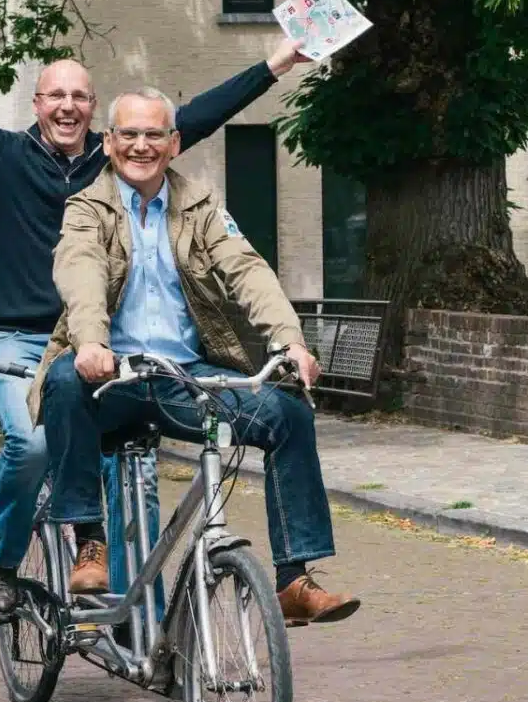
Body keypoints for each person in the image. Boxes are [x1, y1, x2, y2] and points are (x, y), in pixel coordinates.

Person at [0, 0, 311, 614]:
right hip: (19, 340)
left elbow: (196, 115)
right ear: (37, 104)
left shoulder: (114, 162)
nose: (67, 106)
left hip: (106, 343)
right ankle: (4, 561)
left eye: (80, 96)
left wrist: (276, 64)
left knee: (130, 467)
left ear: (95, 112)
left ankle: (133, 613)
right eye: (55, 95)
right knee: (33, 445)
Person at [30, 87, 361, 626]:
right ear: (108, 142)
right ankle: (89, 539)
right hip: (110, 377)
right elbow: (81, 268)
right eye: (129, 134)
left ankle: (293, 579)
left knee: (288, 413)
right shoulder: (87, 208)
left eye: (154, 134)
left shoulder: (201, 207)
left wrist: (289, 341)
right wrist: (90, 341)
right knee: (65, 381)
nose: (141, 145)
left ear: (174, 143)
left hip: (183, 379)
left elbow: (247, 270)